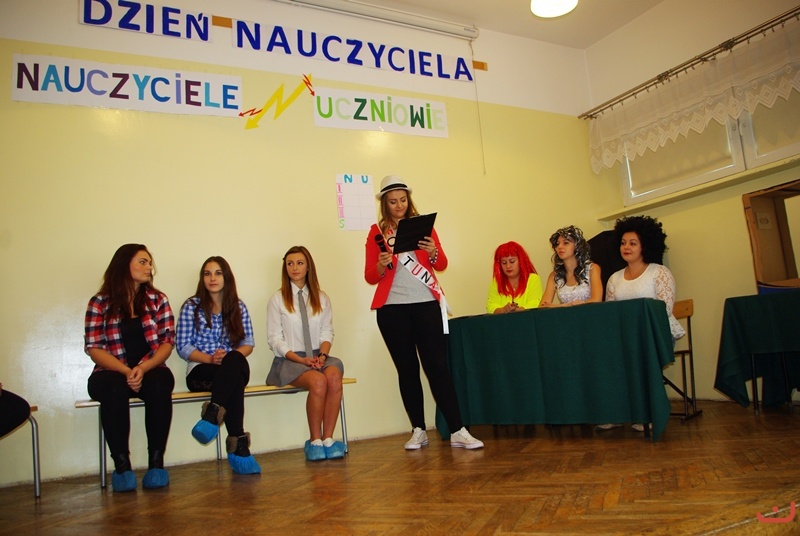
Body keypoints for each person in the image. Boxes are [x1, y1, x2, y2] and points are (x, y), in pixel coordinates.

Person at [364, 175, 483, 450]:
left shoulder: (423, 226)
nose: (399, 205)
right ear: (384, 204)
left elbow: (441, 263)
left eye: (402, 200)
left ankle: (458, 429)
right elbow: (370, 275)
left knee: (438, 368)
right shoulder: (376, 233)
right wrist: (381, 264)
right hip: (392, 309)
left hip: (426, 304)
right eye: (393, 202)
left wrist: (432, 251)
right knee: (407, 370)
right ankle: (418, 429)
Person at [84, 244, 175, 492]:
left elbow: (167, 342)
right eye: (143, 262)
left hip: (149, 368)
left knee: (161, 381)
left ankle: (156, 464)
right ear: (124, 264)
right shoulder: (100, 302)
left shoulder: (158, 300)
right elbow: (94, 348)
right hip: (110, 372)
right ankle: (122, 467)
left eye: (150, 262)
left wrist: (143, 368)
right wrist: (127, 372)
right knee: (113, 388)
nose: (149, 267)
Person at [598, 216, 685, 433]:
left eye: (632, 243)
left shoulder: (659, 273)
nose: (626, 247)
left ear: (645, 245)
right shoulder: (614, 278)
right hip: (624, 337)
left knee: (638, 354)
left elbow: (663, 310)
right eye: (623, 243)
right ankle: (617, 413)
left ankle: (648, 414)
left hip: (656, 334)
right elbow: (610, 313)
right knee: (605, 355)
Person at [176, 256, 260, 475]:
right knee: (235, 379)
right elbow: (182, 346)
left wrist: (229, 357)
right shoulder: (191, 307)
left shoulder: (239, 307)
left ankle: (212, 416)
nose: (212, 278)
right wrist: (210, 359)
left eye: (218, 273)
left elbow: (248, 343)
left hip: (231, 366)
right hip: (200, 369)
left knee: (234, 360)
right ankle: (239, 446)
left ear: (226, 277)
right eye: (207, 273)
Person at [267, 246, 346, 461]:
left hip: (318, 356)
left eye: (299, 263)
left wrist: (322, 356)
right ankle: (315, 441)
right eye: (290, 263)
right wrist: (300, 359)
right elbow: (274, 339)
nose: (294, 267)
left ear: (308, 266)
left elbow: (327, 331)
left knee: (333, 375)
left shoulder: (322, 298)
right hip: (290, 359)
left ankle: (328, 439)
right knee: (318, 381)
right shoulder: (277, 299)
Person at [540, 226, 602, 307]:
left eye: (566, 243)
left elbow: (597, 300)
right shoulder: (554, 276)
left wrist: (560, 306)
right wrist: (567, 305)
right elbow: (543, 306)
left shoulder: (592, 269)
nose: (559, 247)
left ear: (577, 246)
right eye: (557, 244)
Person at [486, 241, 543, 314]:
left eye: (512, 261)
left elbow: (535, 303)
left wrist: (518, 310)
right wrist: (503, 310)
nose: (508, 266)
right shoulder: (496, 282)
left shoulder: (533, 279)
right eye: (504, 263)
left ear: (521, 261)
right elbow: (490, 306)